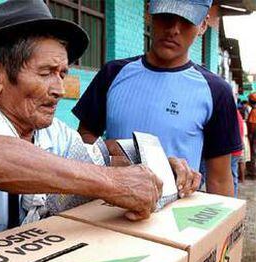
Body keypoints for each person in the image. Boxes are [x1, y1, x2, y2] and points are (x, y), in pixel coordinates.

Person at [0, 0, 198, 247]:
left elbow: (98, 156)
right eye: (46, 72)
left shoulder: (50, 132)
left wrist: (157, 165)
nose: (59, 89)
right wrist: (113, 184)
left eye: (62, 73)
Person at [72, 0, 241, 197]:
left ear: (203, 25)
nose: (173, 29)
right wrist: (121, 161)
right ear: (148, 13)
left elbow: (219, 179)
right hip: (109, 208)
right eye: (166, 16)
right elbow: (84, 142)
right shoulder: (113, 73)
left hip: (176, 219)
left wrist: (225, 225)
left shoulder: (217, 91)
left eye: (187, 20)